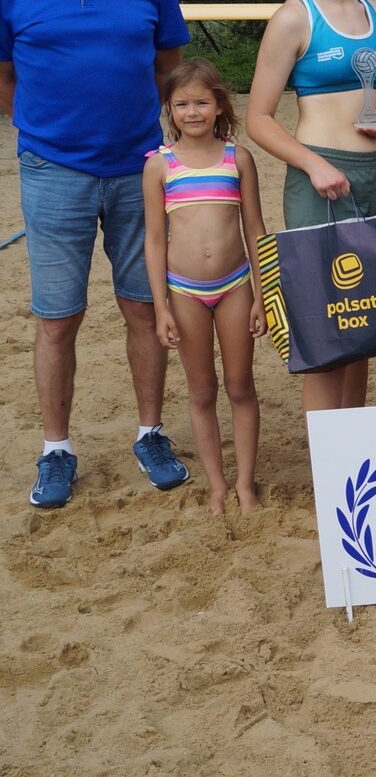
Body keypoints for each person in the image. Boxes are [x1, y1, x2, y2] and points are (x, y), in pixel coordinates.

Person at [0, 0, 192, 508]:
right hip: (53, 170)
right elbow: (3, 73)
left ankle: (150, 433)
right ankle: (56, 448)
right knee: (58, 317)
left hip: (139, 167)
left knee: (144, 307)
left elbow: (168, 64)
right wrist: (43, 128)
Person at [246, 0, 376, 414]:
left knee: (364, 319)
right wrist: (314, 164)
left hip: (375, 172)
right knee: (324, 326)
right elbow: (258, 119)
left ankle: (352, 443)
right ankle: (327, 449)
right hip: (318, 180)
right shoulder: (293, 18)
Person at [142, 60, 266, 514]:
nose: (192, 112)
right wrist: (161, 307)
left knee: (240, 385)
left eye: (201, 102)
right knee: (201, 390)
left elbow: (255, 230)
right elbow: (155, 241)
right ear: (169, 109)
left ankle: (245, 483)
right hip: (184, 292)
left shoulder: (238, 158)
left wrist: (262, 296)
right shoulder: (160, 165)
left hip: (236, 286)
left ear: (219, 106)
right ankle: (217, 485)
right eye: (181, 104)